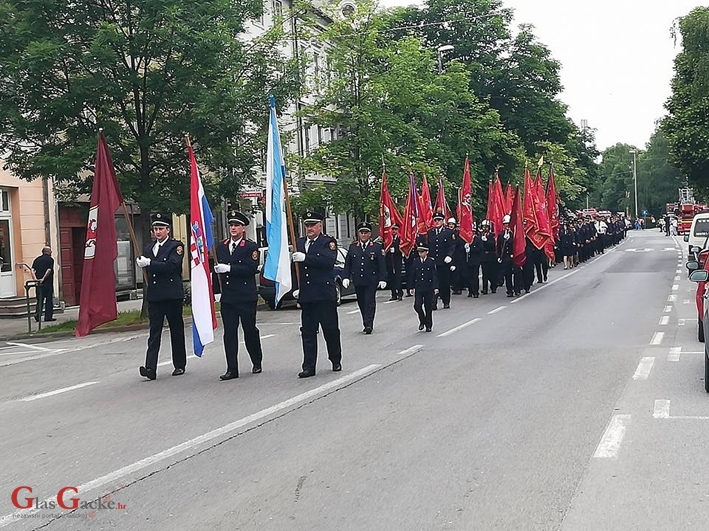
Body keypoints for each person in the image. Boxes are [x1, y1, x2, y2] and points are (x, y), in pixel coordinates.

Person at [291, 209, 342, 378]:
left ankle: (335, 359)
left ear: (320, 225)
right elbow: (295, 268)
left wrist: (305, 258)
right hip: (307, 295)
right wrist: (296, 288)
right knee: (308, 332)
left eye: (312, 225)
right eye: (307, 225)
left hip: (324, 294)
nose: (309, 228)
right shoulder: (299, 242)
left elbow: (327, 262)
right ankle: (309, 366)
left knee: (330, 329)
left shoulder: (328, 242)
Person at [136, 213, 187, 380]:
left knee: (176, 330)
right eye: (155, 229)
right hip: (156, 296)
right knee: (154, 332)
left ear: (168, 230)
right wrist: (144, 264)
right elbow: (150, 270)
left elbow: (171, 266)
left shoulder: (176, 246)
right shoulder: (149, 248)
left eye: (161, 229)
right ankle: (150, 367)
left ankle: (179, 364)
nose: (157, 232)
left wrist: (150, 263)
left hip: (172, 294)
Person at [214, 210, 263, 380]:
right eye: (231, 225)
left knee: (249, 330)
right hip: (228, 297)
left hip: (245, 296)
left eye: (237, 225)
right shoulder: (221, 246)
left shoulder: (250, 246)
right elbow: (216, 271)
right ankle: (231, 368)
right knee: (229, 333)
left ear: (243, 228)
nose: (233, 228)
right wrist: (216, 292)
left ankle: (256, 360)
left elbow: (251, 268)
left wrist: (230, 268)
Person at [342, 222, 387, 334]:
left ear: (370, 234)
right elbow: (348, 264)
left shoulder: (376, 247)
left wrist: (383, 279)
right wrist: (346, 277)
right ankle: (365, 321)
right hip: (358, 280)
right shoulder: (353, 247)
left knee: (369, 302)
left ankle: (369, 324)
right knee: (362, 302)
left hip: (371, 280)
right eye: (361, 233)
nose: (363, 235)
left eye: (365, 232)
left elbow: (381, 264)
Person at [426, 211, 456, 309]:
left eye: (439, 220)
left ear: (443, 221)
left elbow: (452, 246)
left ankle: (446, 300)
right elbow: (429, 246)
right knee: (433, 283)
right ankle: (433, 302)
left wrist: (449, 256)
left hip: (444, 262)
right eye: (435, 220)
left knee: (444, 282)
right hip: (433, 262)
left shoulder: (448, 232)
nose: (437, 222)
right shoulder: (430, 233)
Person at [410, 242, 439, 332]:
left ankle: (429, 324)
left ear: (427, 252)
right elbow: (412, 275)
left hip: (428, 287)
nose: (421, 254)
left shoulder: (431, 261)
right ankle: (422, 320)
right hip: (419, 287)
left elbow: (434, 275)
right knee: (417, 305)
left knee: (428, 306)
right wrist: (411, 287)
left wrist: (435, 287)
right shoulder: (415, 261)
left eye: (422, 252)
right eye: (419, 252)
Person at [32, 246, 55, 322]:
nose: (51, 252)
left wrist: (35, 280)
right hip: (47, 283)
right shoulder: (50, 260)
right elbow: (48, 270)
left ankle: (37, 315)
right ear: (47, 252)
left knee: (39, 300)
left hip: (38, 284)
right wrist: (43, 279)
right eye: (50, 251)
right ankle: (48, 316)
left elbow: (32, 270)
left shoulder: (37, 260)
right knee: (48, 300)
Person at [386, 224, 404, 301]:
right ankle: (393, 294)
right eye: (392, 229)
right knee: (391, 277)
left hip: (397, 260)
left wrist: (396, 250)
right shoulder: (388, 239)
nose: (393, 231)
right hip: (389, 260)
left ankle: (400, 293)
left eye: (395, 229)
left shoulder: (400, 239)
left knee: (398, 277)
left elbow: (402, 249)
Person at [479, 220, 497, 294]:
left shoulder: (491, 235)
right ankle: (485, 288)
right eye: (483, 227)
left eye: (486, 227)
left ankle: (493, 287)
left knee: (492, 273)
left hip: (491, 256)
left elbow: (493, 245)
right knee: (484, 274)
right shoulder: (480, 235)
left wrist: (486, 241)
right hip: (484, 257)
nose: (484, 228)